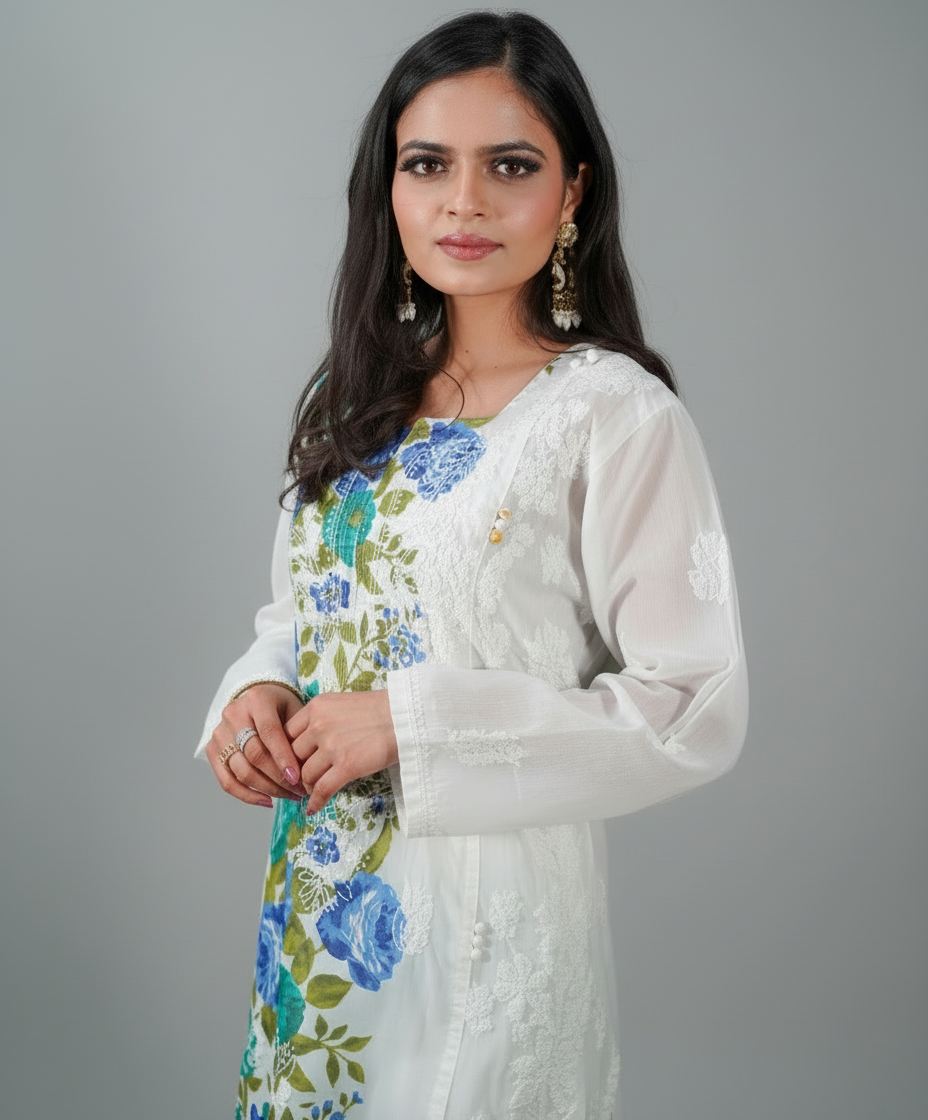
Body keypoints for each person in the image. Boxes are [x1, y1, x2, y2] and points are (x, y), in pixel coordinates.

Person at [196, 11, 748, 1119]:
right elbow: (304, 611)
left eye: (510, 165)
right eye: (426, 164)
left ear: (574, 190)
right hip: (318, 911)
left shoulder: (611, 416)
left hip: (485, 933)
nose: (464, 203)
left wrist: (412, 721)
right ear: (387, 189)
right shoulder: (350, 398)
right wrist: (255, 689)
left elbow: (693, 707)